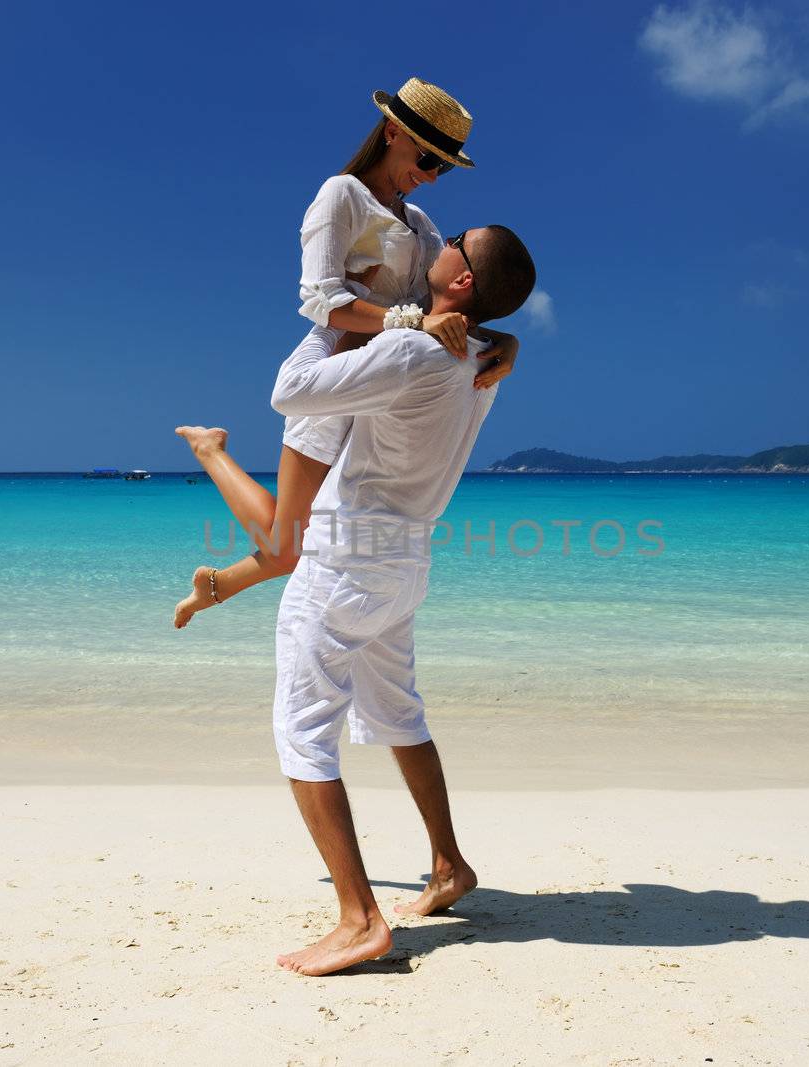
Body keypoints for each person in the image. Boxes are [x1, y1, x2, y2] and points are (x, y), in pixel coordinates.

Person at [264, 223, 536, 976]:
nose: (440, 242)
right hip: (405, 558)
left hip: (350, 555)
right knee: (397, 711)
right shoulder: (482, 352)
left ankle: (358, 919)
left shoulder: (420, 349)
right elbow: (494, 340)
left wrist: (337, 313)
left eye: (454, 242)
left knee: (301, 726)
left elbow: (289, 394)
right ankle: (448, 863)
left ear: (461, 283)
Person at [172, 78, 519, 628]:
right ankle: (210, 450)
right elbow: (321, 301)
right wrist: (411, 322)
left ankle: (212, 585)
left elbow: (450, 301)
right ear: (391, 132)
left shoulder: (423, 227)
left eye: (442, 168)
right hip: (333, 366)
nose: (429, 176)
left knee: (312, 544)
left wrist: (504, 339)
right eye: (427, 158)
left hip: (382, 387)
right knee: (289, 549)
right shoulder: (342, 195)